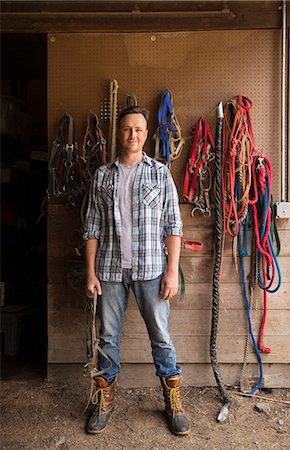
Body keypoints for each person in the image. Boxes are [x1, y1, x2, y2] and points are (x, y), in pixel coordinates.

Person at [83, 105, 190, 436]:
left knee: (160, 335)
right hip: (111, 271)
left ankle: (173, 401)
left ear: (147, 134)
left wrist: (172, 271)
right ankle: (104, 400)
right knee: (108, 336)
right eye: (128, 129)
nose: (133, 135)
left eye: (139, 130)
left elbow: (173, 224)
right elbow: (92, 227)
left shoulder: (160, 173)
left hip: (152, 270)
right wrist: (90, 272)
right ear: (120, 133)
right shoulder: (102, 176)